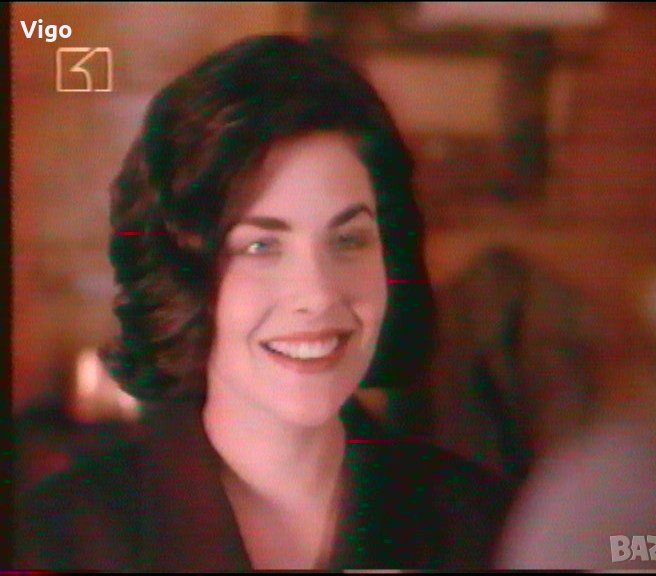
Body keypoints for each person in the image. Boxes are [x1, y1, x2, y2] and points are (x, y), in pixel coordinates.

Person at [15, 35, 514, 571]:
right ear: (184, 275)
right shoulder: (53, 536)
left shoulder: (485, 525)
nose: (318, 294)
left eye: (349, 240)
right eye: (260, 246)